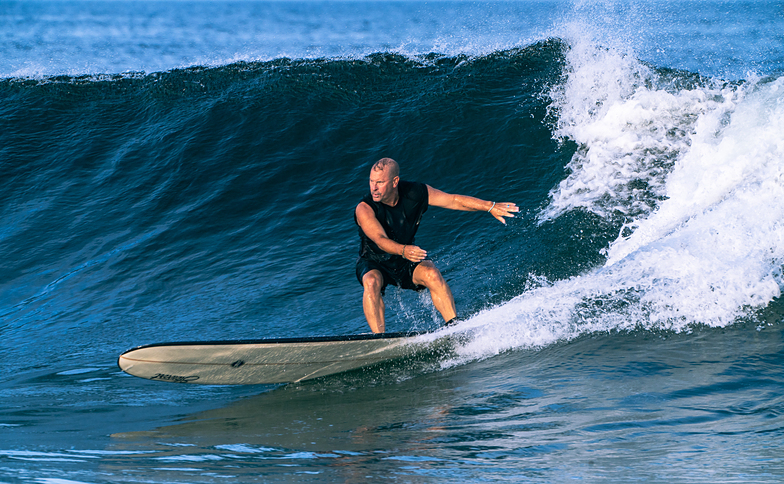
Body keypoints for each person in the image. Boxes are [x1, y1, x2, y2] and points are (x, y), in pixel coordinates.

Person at [354, 157, 519, 333]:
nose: (374, 187)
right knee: (371, 282)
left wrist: (489, 206)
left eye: (380, 182)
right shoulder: (364, 208)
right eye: (371, 181)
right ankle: (379, 339)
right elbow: (380, 239)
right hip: (374, 260)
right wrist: (403, 249)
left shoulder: (415, 192)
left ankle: (454, 327)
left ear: (395, 181)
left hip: (405, 258)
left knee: (432, 273)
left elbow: (453, 200)